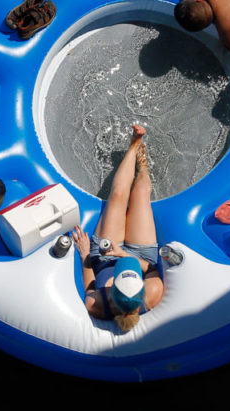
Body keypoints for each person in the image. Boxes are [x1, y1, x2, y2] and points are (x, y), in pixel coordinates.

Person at [71, 124, 164, 332]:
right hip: (141, 256)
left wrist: (86, 254)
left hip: (104, 259)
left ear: (112, 291)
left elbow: (91, 285)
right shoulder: (153, 292)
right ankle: (141, 162)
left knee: (118, 195)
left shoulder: (97, 305)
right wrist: (123, 254)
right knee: (140, 192)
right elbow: (151, 269)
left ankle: (134, 145)